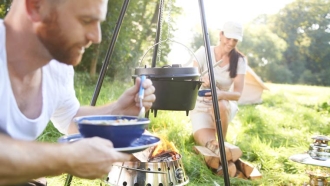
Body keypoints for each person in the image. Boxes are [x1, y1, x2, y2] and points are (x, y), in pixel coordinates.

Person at [0, 0, 156, 185]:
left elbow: (71, 119)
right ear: (36, 6)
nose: (97, 37)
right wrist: (66, 158)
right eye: (86, 19)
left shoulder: (58, 68)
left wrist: (117, 112)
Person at [190, 21, 247, 154]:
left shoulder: (240, 60)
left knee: (220, 104)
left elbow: (237, 94)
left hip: (223, 106)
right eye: (228, 38)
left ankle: (223, 142)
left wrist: (220, 94)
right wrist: (200, 80)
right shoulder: (204, 52)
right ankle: (218, 149)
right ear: (221, 35)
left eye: (235, 40)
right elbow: (191, 78)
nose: (231, 43)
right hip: (201, 106)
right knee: (208, 143)